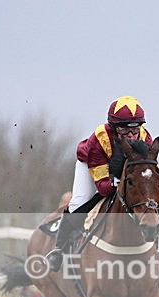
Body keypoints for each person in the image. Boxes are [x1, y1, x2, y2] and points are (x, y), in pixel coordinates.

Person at [45, 96, 153, 271]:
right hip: (91, 164)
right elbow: (103, 187)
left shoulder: (145, 138)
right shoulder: (100, 138)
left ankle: (154, 250)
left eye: (135, 129)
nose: (132, 135)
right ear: (114, 127)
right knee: (78, 202)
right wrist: (119, 183)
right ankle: (59, 249)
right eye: (125, 130)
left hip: (123, 170)